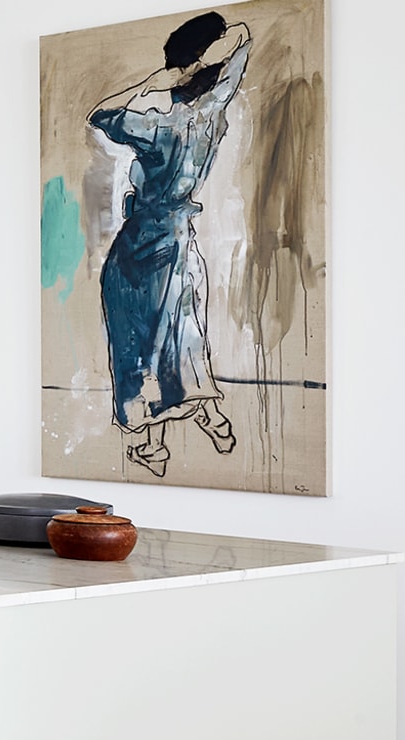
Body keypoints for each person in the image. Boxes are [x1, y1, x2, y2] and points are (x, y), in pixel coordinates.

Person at [89, 12, 251, 477]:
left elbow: (101, 115)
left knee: (137, 342)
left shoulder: (160, 126)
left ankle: (149, 443)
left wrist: (159, 78)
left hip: (141, 245)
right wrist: (207, 59)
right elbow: (240, 41)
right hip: (179, 242)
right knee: (177, 338)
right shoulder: (213, 110)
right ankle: (210, 418)